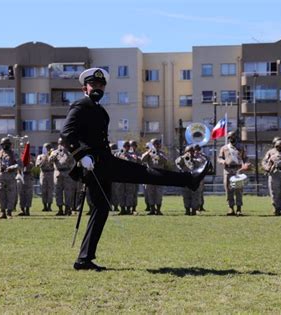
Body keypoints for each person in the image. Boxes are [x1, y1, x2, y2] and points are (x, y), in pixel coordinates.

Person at [61, 68, 210, 271]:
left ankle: (84, 259)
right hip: (97, 164)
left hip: (100, 164)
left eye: (101, 85)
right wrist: (80, 156)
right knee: (143, 173)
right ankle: (189, 179)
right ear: (84, 88)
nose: (97, 88)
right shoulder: (81, 105)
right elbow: (66, 134)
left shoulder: (99, 110)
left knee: (101, 208)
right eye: (93, 85)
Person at [218, 131, 249, 216]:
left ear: (236, 137)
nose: (231, 139)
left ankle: (239, 208)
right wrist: (223, 161)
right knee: (229, 190)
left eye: (232, 137)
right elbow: (219, 158)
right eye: (229, 137)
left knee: (238, 190)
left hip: (238, 170)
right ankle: (231, 208)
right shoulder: (224, 148)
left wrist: (246, 164)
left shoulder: (241, 147)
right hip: (228, 170)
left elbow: (245, 158)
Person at [141, 138, 168, 215]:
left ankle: (158, 210)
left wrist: (158, 154)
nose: (157, 145)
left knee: (159, 194)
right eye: (155, 144)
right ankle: (152, 209)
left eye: (158, 144)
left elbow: (165, 161)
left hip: (159, 176)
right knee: (150, 194)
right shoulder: (148, 153)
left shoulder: (162, 153)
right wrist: (148, 152)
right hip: (150, 176)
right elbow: (142, 160)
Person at [49, 138, 76, 216]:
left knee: (68, 192)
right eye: (60, 143)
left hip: (67, 173)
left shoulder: (69, 153)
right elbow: (49, 161)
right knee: (58, 192)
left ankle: (68, 209)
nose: (61, 145)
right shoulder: (54, 152)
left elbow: (73, 163)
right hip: (58, 173)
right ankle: (60, 209)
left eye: (63, 143)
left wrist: (68, 156)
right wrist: (52, 157)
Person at [175, 146, 205, 216]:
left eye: (191, 151)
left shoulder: (198, 158)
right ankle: (187, 210)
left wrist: (193, 159)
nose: (190, 153)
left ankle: (194, 210)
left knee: (195, 196)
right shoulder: (183, 158)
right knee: (186, 195)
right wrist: (184, 158)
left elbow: (202, 162)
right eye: (188, 151)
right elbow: (177, 162)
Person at [262, 137, 281, 214]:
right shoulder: (270, 152)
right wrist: (267, 168)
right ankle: (275, 208)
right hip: (273, 173)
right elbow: (264, 161)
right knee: (274, 192)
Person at [117, 141, 138, 215]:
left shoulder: (133, 154)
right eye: (125, 146)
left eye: (128, 146)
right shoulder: (119, 153)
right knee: (121, 193)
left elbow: (134, 160)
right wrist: (121, 155)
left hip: (129, 176)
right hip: (121, 176)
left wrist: (127, 156)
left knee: (130, 193)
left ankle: (128, 209)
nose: (126, 147)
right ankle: (122, 209)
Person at [36, 143, 54, 212]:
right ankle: (44, 206)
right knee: (43, 190)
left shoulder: (52, 155)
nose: (48, 149)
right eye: (46, 147)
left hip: (50, 173)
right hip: (43, 173)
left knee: (50, 190)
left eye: (49, 147)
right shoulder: (40, 156)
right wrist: (44, 158)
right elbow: (37, 165)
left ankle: (49, 206)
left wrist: (50, 156)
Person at [194, 144, 208, 211]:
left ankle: (201, 206)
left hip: (200, 176)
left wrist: (202, 155)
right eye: (195, 149)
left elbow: (206, 161)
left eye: (198, 149)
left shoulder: (202, 156)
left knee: (200, 192)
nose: (196, 151)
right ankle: (197, 206)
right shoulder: (191, 156)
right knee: (196, 192)